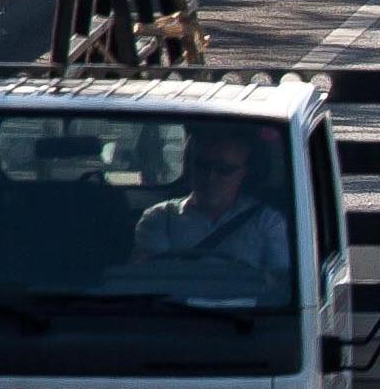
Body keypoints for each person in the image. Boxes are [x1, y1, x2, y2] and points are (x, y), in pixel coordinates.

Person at [111, 128, 293, 299]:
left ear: (244, 173)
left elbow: (279, 284)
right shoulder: (160, 218)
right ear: (189, 166)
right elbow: (149, 281)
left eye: (224, 170)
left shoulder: (268, 222)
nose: (210, 177)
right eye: (202, 166)